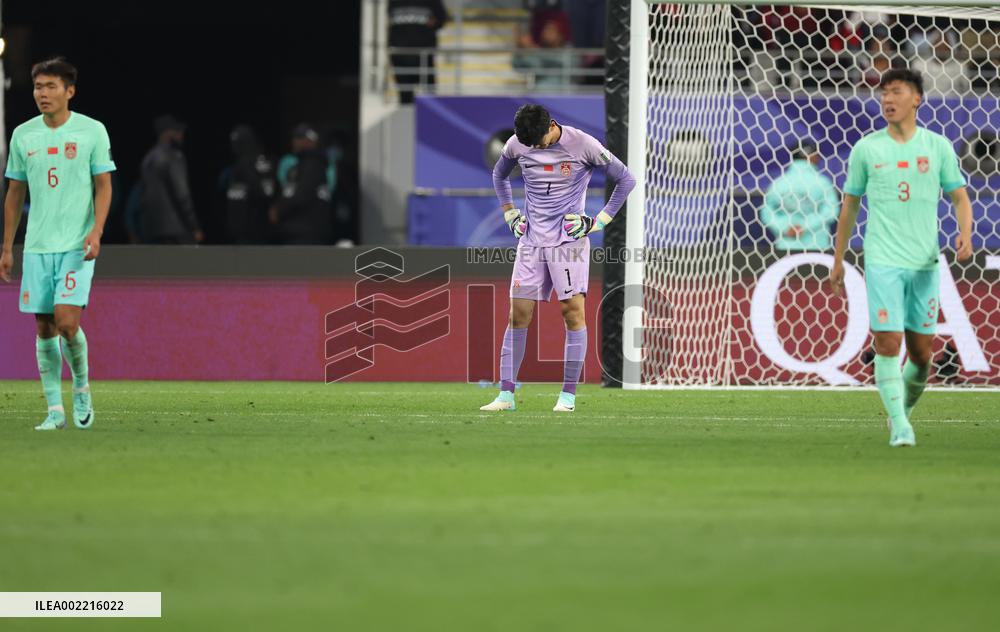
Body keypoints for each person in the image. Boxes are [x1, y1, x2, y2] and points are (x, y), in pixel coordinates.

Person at [829, 69, 974, 447]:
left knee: (923, 355)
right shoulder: (866, 149)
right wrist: (838, 258)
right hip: (882, 260)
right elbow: (850, 207)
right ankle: (900, 426)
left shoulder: (938, 146)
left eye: (896, 92)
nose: (888, 100)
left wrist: (965, 234)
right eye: (883, 94)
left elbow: (960, 196)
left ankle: (900, 413)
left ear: (916, 100)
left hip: (925, 261)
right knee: (888, 343)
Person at [481, 104, 635, 412]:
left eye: (540, 140)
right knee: (518, 314)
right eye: (530, 144)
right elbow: (500, 176)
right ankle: (506, 396)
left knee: (572, 313)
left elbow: (626, 179)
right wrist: (510, 212)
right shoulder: (517, 143)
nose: (536, 147)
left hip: (568, 241)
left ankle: (567, 397)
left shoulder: (584, 144)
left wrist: (597, 222)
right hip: (531, 241)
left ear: (553, 125)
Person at [0, 58, 115, 430]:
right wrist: (6, 247)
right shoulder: (23, 135)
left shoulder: (92, 131)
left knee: (67, 322)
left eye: (51, 87)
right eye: (38, 87)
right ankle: (54, 411)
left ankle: (81, 387)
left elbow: (103, 185)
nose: (42, 94)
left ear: (70, 91)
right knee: (44, 327)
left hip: (76, 245)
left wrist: (96, 230)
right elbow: (14, 194)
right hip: (37, 246)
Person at [760, 140, 838, 251]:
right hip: (817, 247)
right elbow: (831, 211)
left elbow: (766, 213)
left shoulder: (778, 183)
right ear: (812, 156)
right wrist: (805, 226)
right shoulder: (822, 182)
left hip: (786, 247)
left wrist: (785, 228)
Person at [140, 115, 204, 244]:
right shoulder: (173, 156)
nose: (181, 135)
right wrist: (194, 226)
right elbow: (182, 194)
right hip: (177, 230)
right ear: (168, 133)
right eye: (178, 131)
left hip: (152, 229)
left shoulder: (148, 159)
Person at [271, 124, 334, 245]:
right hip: (297, 233)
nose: (295, 142)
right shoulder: (300, 165)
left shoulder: (314, 165)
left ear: (311, 141)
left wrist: (278, 210)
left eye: (300, 138)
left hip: (306, 235)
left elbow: (301, 195)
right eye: (295, 138)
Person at [218, 125, 275, 244]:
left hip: (254, 229)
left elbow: (264, 192)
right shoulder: (238, 166)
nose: (234, 147)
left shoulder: (253, 163)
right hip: (244, 229)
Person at [388, 0, 448, 104]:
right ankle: (405, 116)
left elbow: (442, 19)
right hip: (400, 54)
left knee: (429, 96)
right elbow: (390, 17)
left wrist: (433, 23)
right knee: (405, 96)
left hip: (424, 54)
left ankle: (430, 116)